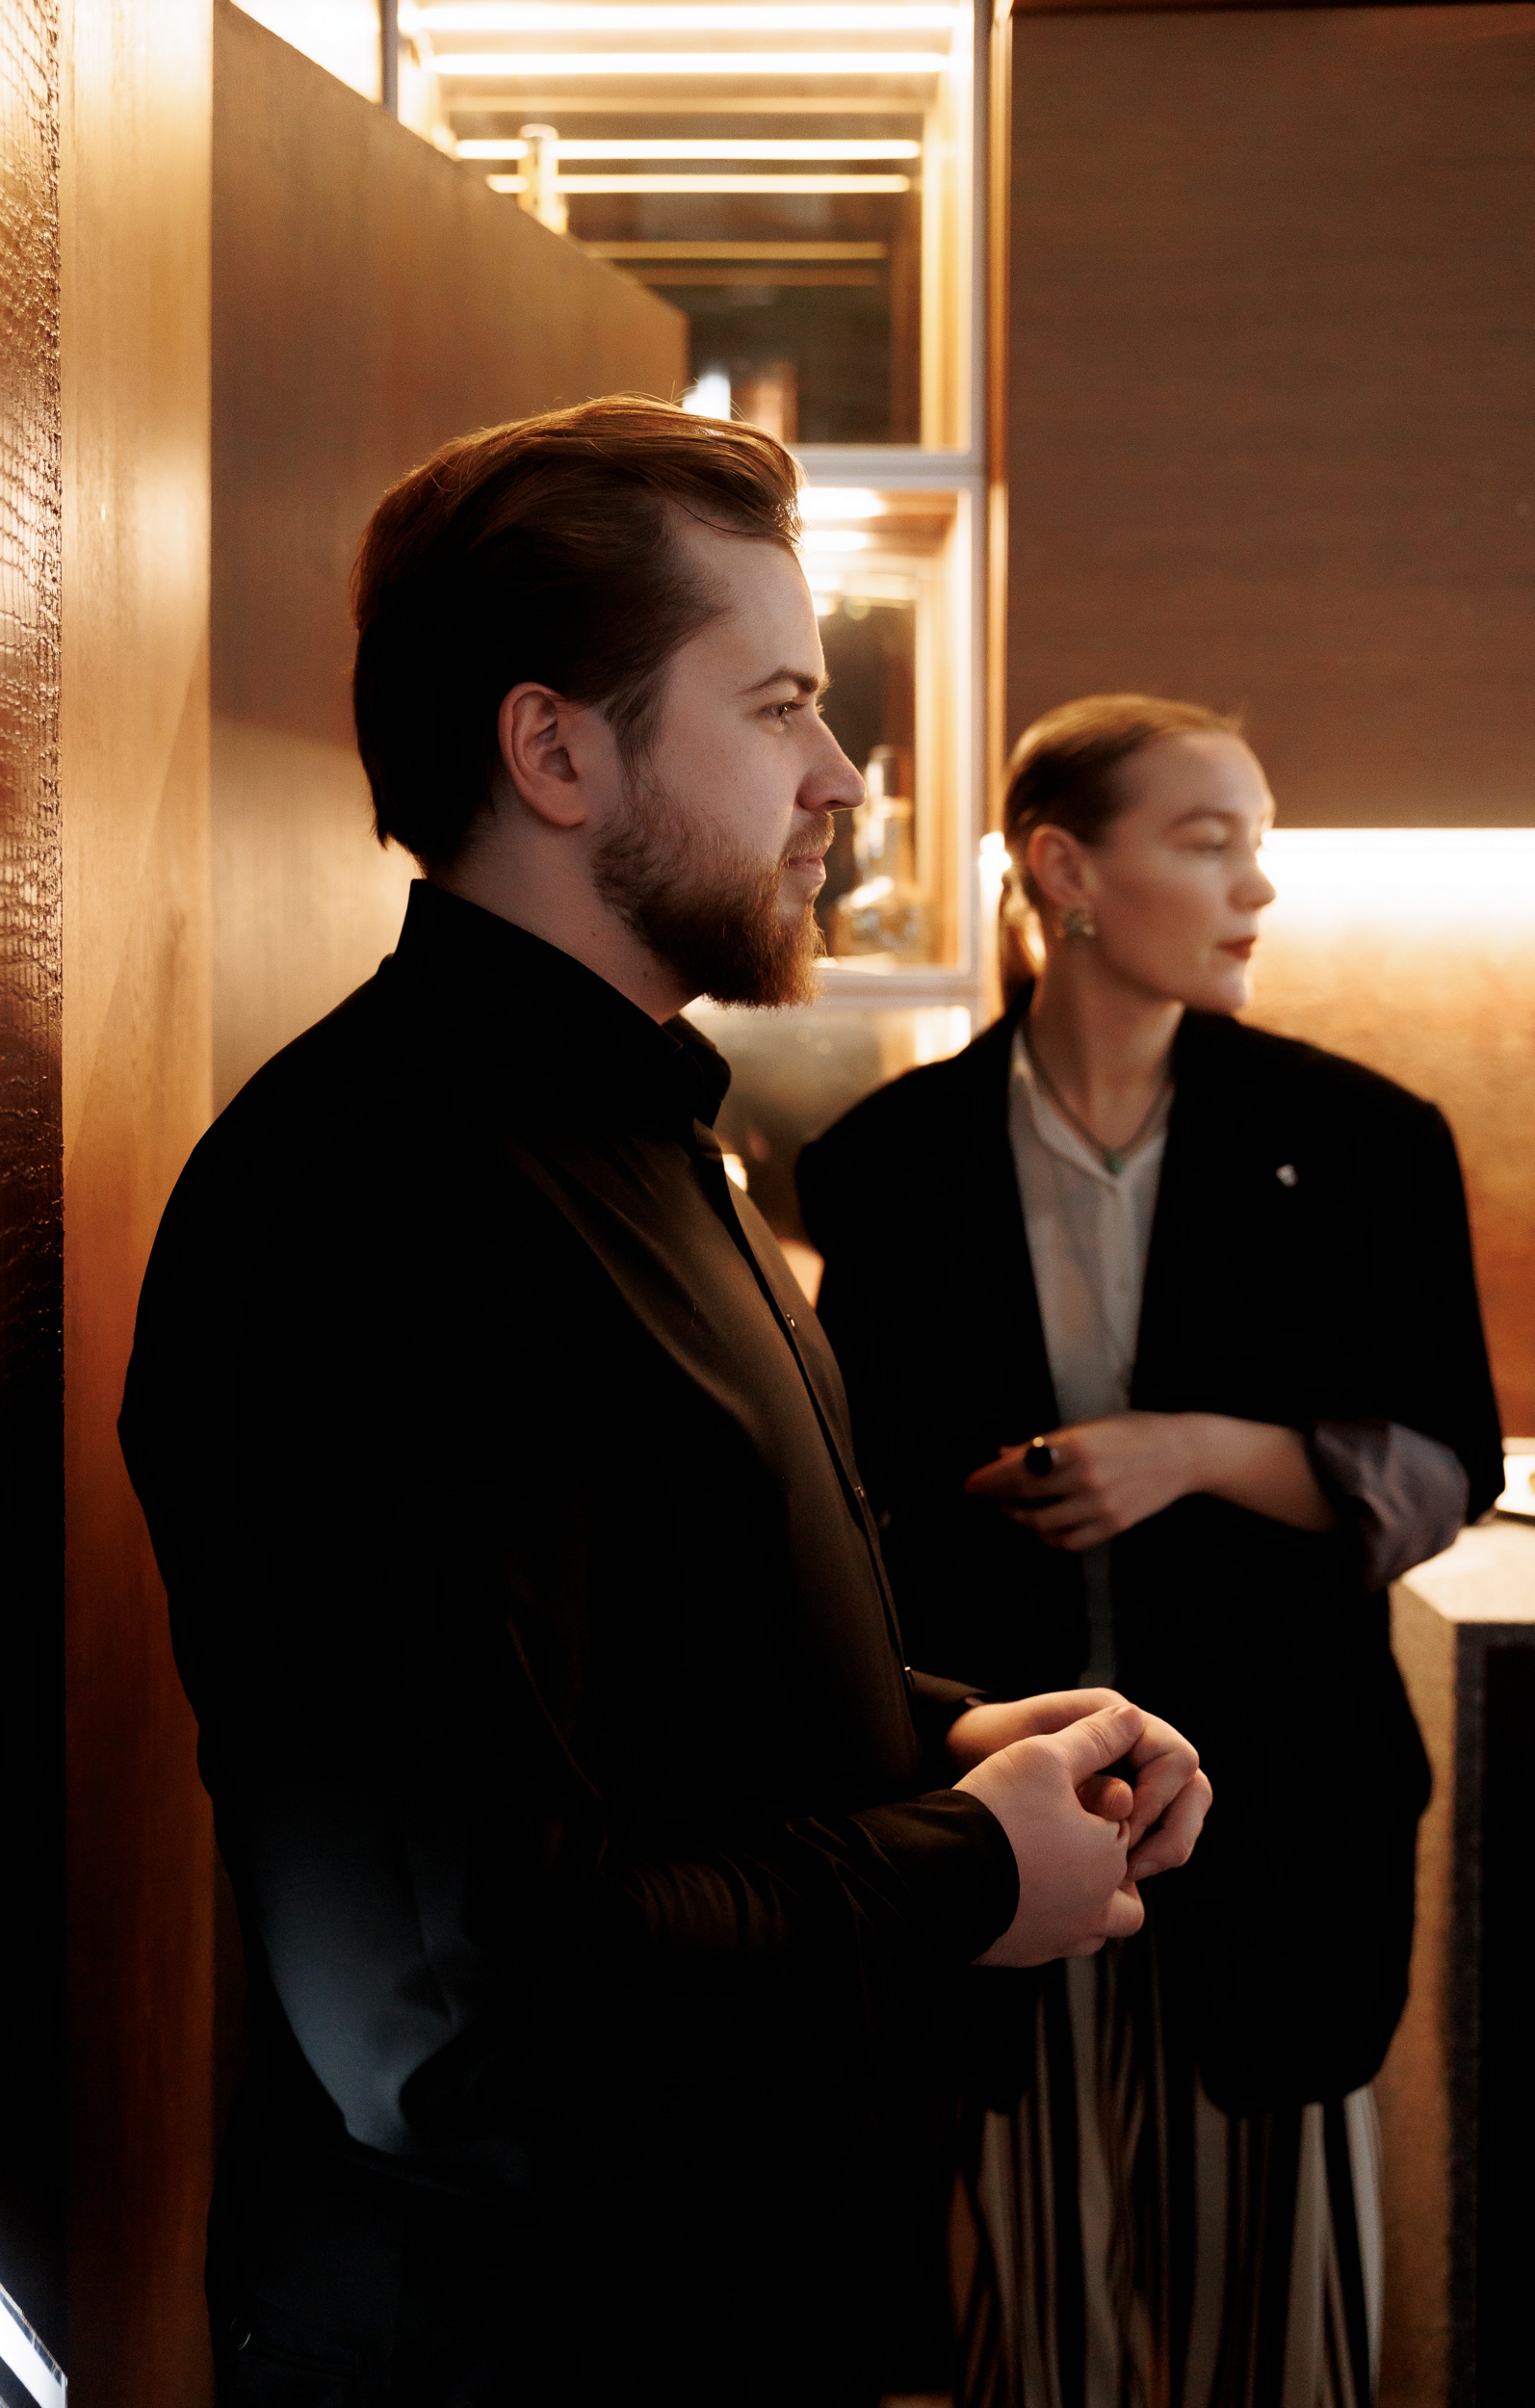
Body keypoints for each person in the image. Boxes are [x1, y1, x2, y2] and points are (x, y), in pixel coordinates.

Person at [118, 414, 1210, 2408]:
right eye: (781, 705)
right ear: (556, 753)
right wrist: (967, 1869)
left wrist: (959, 1739)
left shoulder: (644, 1138)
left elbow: (670, 1683)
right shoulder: (381, 1205)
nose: (841, 777)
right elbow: (460, 2011)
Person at [797, 694, 1503, 2408]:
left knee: (1285, 2328)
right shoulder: (879, 1165)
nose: (1260, 888)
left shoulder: (1367, 1142)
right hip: (1001, 1813)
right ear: (1065, 871)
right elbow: (859, 1508)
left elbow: (1445, 1467)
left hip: (1285, 1810)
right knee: (1039, 2318)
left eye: (1261, 845)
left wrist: (1192, 1452)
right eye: (1210, 843)